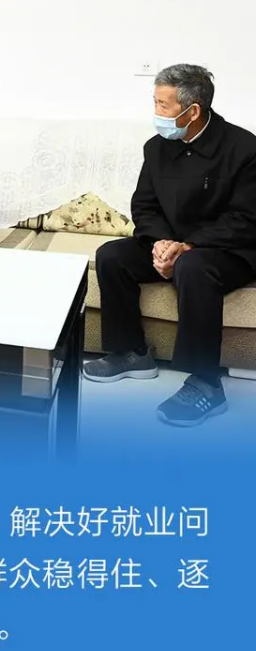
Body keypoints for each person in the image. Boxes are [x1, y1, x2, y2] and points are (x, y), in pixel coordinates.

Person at [84, 64, 256, 426]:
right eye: (155, 102)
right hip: (173, 244)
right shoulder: (156, 148)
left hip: (228, 251)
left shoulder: (244, 148)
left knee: (192, 266)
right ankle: (131, 353)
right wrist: (161, 242)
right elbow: (144, 206)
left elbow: (246, 219)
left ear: (192, 111)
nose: (156, 112)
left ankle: (206, 384)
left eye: (163, 105)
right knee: (111, 256)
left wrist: (188, 245)